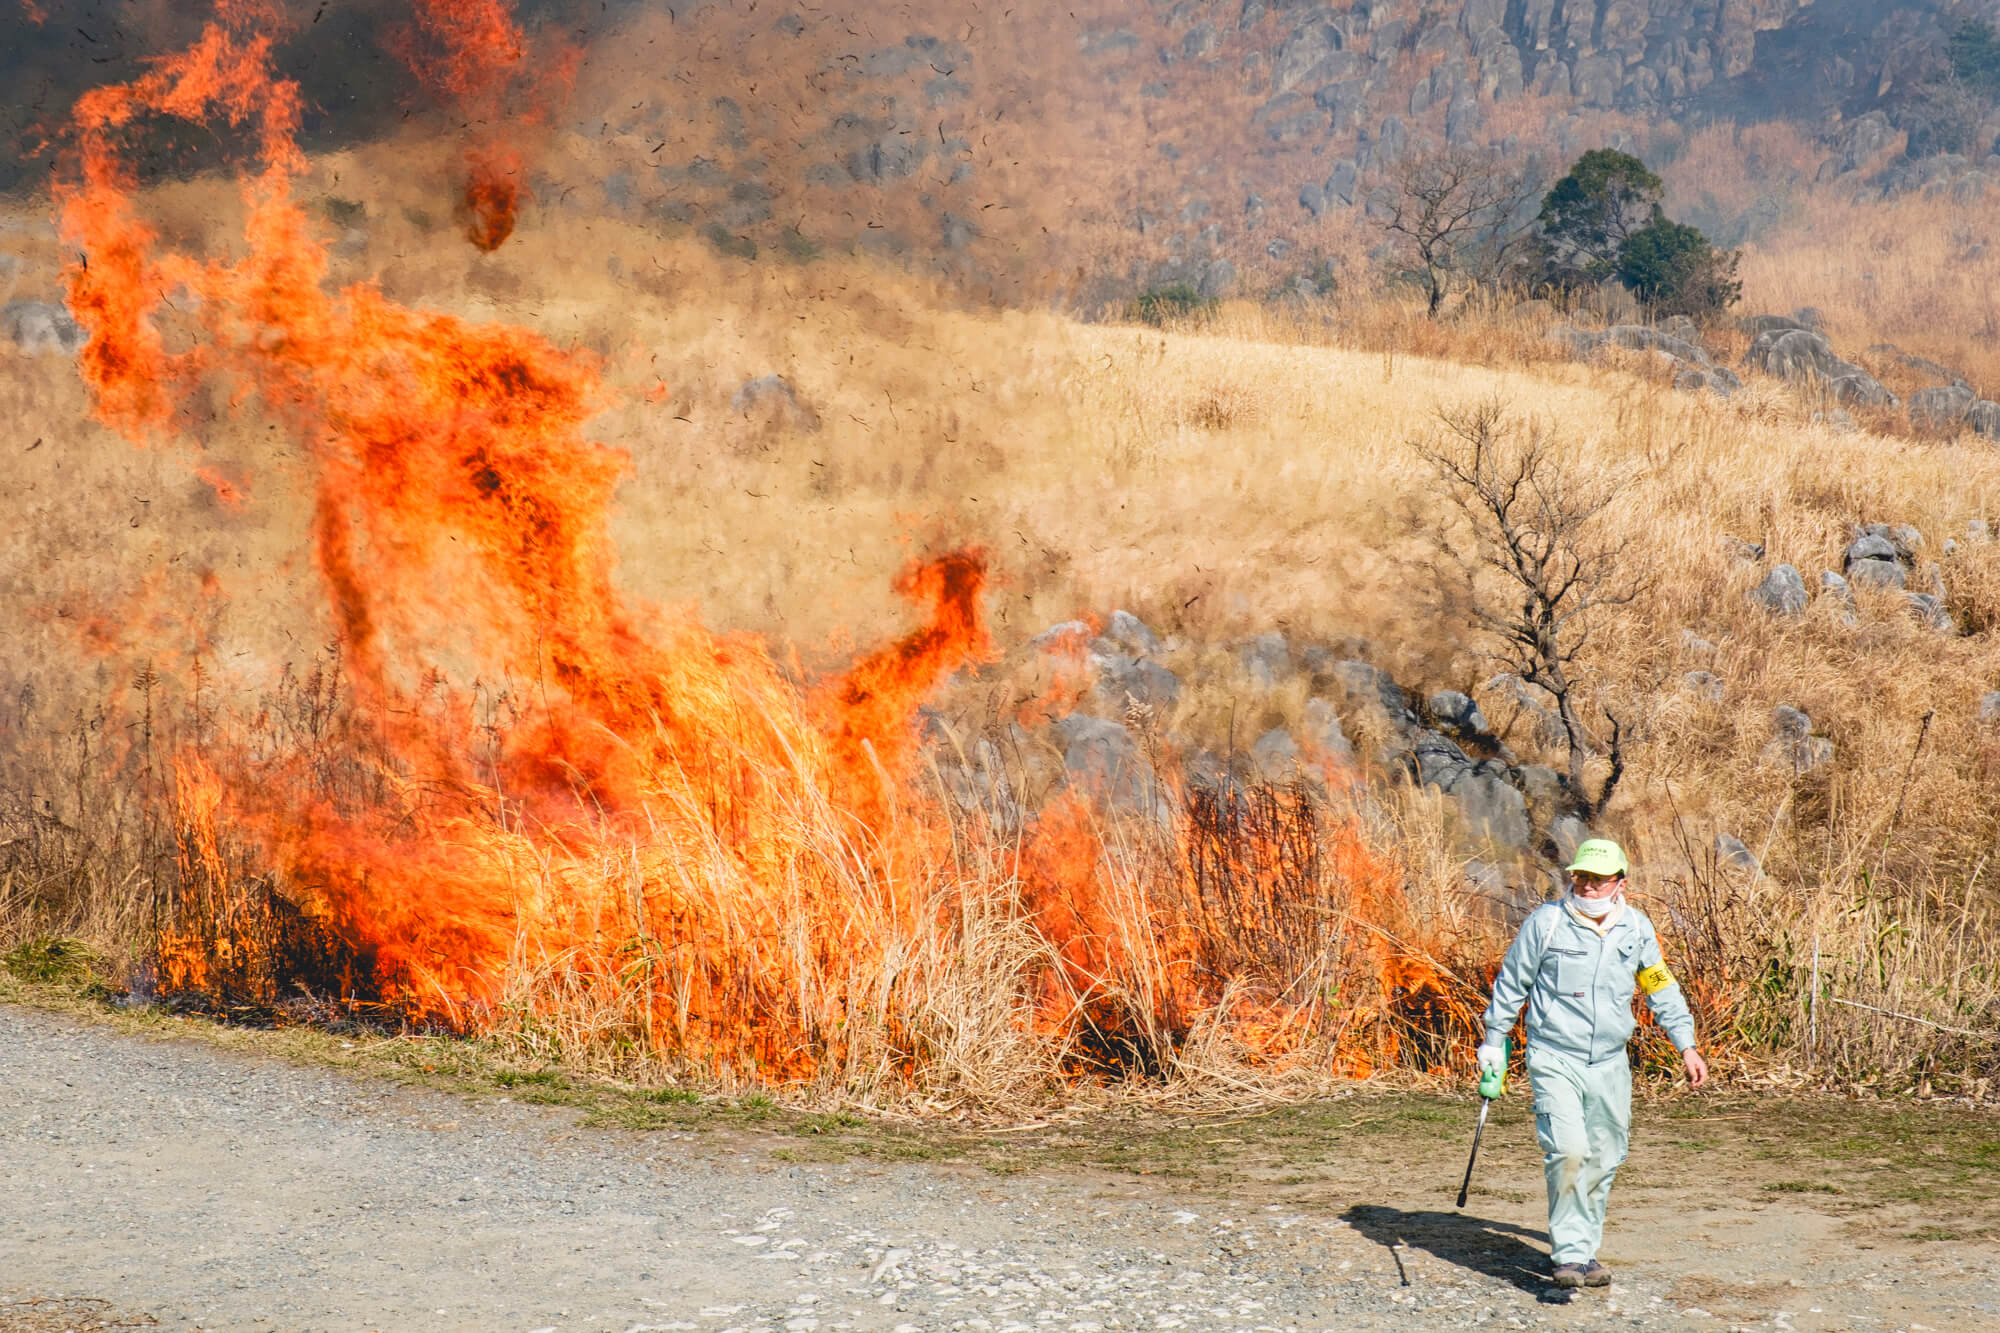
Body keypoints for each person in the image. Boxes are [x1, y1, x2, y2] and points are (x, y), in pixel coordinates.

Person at [1476, 838, 1709, 1290]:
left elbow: (1660, 987)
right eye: (1580, 876)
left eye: (1598, 879)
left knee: (1604, 1157)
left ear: (1619, 883)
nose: (1586, 885)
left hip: (1610, 1062)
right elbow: (1511, 985)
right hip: (1553, 1055)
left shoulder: (1637, 930)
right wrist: (1493, 1040)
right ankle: (1568, 1254)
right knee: (1568, 1151)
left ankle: (1585, 1252)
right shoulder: (1546, 924)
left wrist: (1686, 1044)